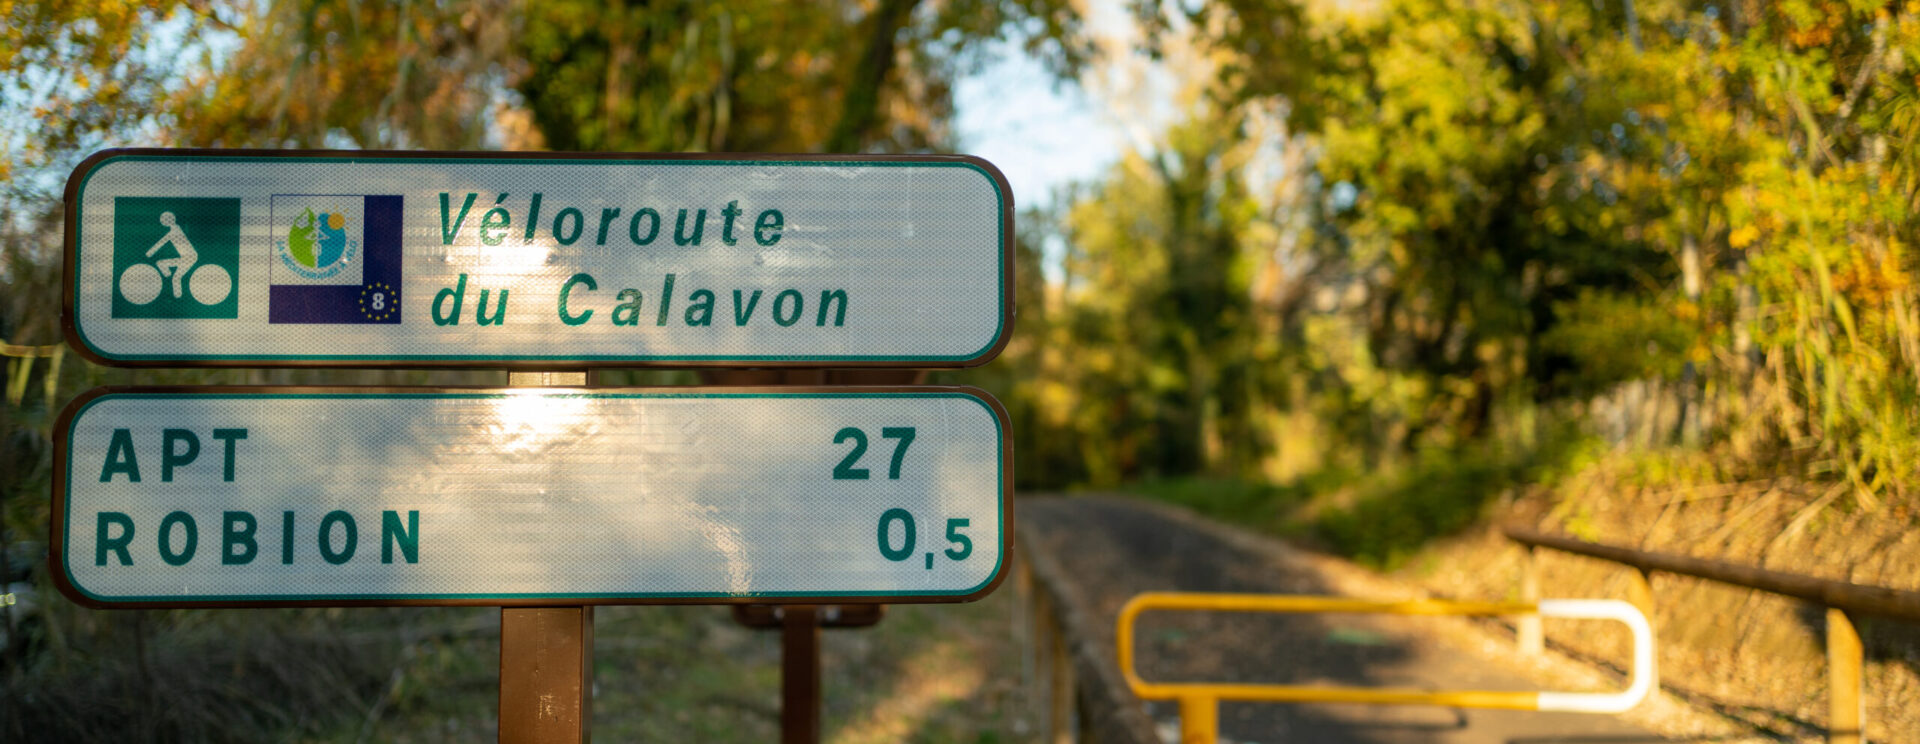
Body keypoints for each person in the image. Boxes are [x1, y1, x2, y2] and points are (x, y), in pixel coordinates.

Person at [146, 211, 198, 299]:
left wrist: (149, 253)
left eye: (165, 220)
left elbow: (162, 241)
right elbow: (163, 241)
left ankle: (167, 276)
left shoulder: (176, 230)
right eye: (163, 220)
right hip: (188, 257)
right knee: (176, 277)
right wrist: (150, 252)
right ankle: (178, 296)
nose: (163, 222)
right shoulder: (174, 230)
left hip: (189, 258)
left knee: (160, 263)